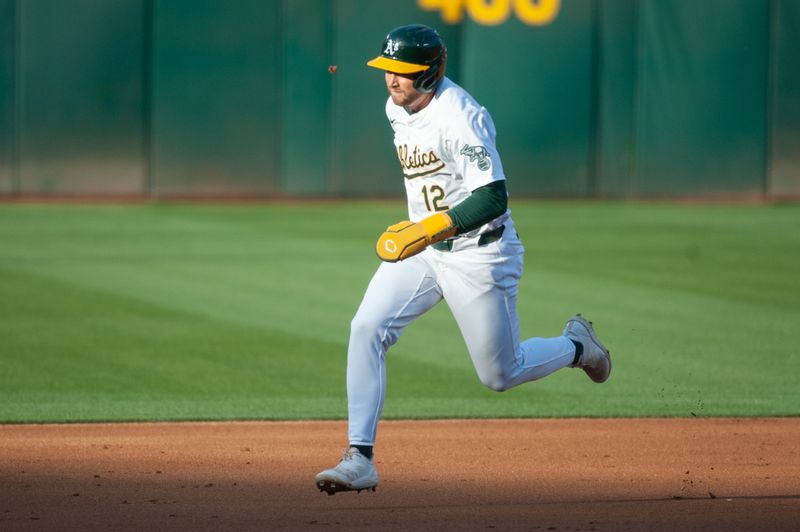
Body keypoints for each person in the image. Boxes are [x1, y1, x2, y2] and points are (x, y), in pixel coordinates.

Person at [315, 24, 611, 496]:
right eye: (388, 69)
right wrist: (425, 232)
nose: (392, 80)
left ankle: (577, 346)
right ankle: (360, 458)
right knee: (366, 328)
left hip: (481, 254)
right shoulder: (396, 106)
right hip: (425, 251)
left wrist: (428, 226)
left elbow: (493, 197)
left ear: (430, 74)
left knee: (500, 374)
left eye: (403, 72)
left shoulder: (461, 117)